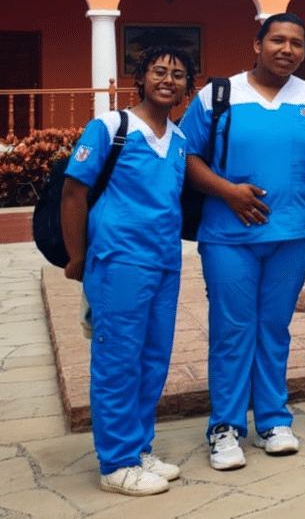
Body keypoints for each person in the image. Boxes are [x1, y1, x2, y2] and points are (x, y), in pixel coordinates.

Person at [179, 13, 305, 470]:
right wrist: (227, 191)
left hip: (291, 236)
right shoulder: (219, 95)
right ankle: (225, 428)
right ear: (257, 44)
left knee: (274, 329)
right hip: (228, 238)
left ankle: (273, 420)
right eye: (277, 40)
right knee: (232, 330)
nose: (286, 49)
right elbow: (188, 156)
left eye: (296, 43)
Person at [62, 46, 195, 496]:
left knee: (153, 360)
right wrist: (77, 257)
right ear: (140, 77)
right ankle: (116, 463)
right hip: (119, 261)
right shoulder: (111, 127)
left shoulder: (178, 141)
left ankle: (138, 447)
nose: (168, 80)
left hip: (164, 263)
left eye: (178, 75)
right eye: (159, 71)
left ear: (186, 87)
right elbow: (73, 193)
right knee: (118, 360)